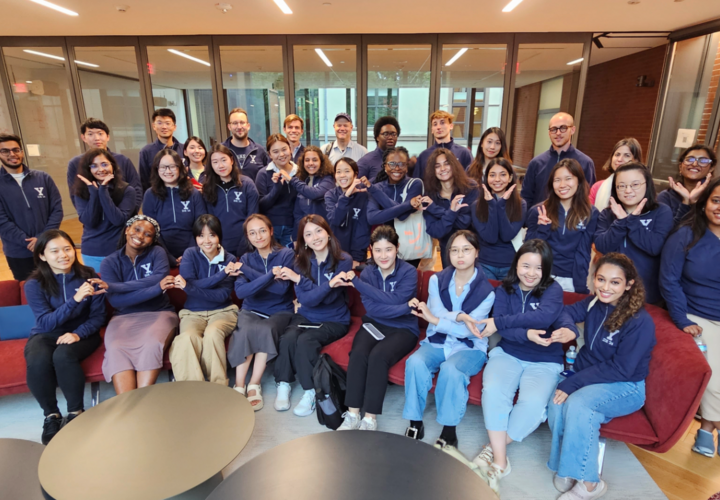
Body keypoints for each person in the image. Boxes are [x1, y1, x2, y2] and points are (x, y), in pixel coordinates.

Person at [548, 253, 655, 500]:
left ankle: (589, 484)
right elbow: (565, 313)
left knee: (578, 404)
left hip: (625, 385)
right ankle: (567, 467)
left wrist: (573, 382)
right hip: (589, 375)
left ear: (628, 284)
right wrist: (569, 328)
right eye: (601, 279)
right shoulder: (593, 303)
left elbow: (622, 369)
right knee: (556, 403)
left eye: (615, 282)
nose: (605, 288)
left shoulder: (639, 321)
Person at [471, 240, 571, 489]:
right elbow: (506, 333)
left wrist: (501, 321)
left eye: (538, 268)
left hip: (545, 360)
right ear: (516, 265)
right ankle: (500, 463)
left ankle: (490, 448)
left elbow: (545, 317)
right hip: (509, 352)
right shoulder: (504, 290)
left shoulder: (553, 289)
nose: (531, 273)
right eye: (525, 265)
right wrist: (523, 332)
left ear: (545, 269)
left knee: (534, 405)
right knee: (493, 392)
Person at [403, 230, 494, 449]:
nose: (460, 255)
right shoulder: (437, 279)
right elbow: (435, 311)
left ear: (476, 253)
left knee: (452, 371)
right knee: (414, 362)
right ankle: (415, 421)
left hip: (469, 346)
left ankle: (448, 430)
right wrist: (460, 316)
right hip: (438, 340)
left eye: (466, 250)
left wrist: (438, 319)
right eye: (454, 250)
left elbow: (470, 331)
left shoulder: (487, 291)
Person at [24, 229, 105, 444]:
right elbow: (45, 322)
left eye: (67, 248)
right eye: (55, 251)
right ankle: (51, 415)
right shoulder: (34, 284)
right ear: (42, 255)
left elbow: (98, 317)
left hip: (83, 333)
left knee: (63, 355)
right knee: (37, 359)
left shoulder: (89, 276)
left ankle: (75, 412)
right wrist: (75, 300)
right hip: (47, 333)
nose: (63, 255)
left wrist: (78, 334)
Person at [660, 177, 720, 458]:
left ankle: (708, 428)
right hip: (698, 315)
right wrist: (682, 319)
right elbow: (669, 280)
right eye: (716, 200)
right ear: (705, 202)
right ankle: (711, 427)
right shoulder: (686, 234)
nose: (719, 207)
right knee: (716, 374)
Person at [337, 226, 419, 431]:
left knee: (378, 356)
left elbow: (397, 299)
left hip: (404, 327)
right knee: (358, 353)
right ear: (370, 250)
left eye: (389, 249)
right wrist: (403, 307)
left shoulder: (409, 272)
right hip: (374, 322)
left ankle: (370, 418)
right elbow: (373, 307)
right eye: (378, 250)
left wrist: (357, 284)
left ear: (397, 248)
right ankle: (353, 413)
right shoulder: (368, 273)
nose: (383, 256)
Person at [273, 215, 353, 416]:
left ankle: (310, 391)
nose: (315, 237)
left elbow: (328, 300)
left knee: (306, 341)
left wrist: (300, 280)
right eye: (308, 234)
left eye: (319, 231)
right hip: (307, 314)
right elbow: (306, 301)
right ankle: (283, 383)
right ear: (303, 240)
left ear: (327, 232)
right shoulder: (300, 262)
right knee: (288, 338)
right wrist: (325, 285)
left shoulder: (343, 260)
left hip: (334, 318)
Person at [93, 216, 179, 395]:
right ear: (127, 230)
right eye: (137, 229)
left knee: (151, 344)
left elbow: (158, 278)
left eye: (148, 234)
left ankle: (140, 401)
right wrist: (155, 289)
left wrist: (115, 286)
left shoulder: (157, 253)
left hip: (159, 313)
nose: (140, 236)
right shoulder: (109, 262)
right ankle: (129, 404)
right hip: (123, 317)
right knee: (116, 347)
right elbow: (116, 301)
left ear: (152, 240)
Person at [227, 214, 296, 411]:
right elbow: (241, 292)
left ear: (271, 231)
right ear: (247, 237)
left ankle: (254, 384)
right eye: (252, 233)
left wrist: (247, 272)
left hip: (280, 310)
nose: (258, 236)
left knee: (266, 329)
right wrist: (269, 276)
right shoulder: (246, 258)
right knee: (244, 329)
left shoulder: (286, 255)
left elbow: (281, 290)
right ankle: (239, 385)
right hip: (251, 308)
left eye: (262, 231)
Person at [169, 215, 242, 385]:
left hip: (223, 311)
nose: (206, 241)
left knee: (212, 333)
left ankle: (219, 386)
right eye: (201, 236)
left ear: (219, 237)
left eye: (212, 235)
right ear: (196, 238)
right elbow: (192, 288)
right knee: (186, 338)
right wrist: (222, 274)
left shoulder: (230, 259)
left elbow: (221, 296)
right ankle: (195, 389)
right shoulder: (190, 254)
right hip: (192, 313)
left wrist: (189, 287)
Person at [594, 162, 673, 305]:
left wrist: (629, 220)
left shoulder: (661, 211)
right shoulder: (607, 214)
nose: (628, 190)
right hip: (611, 292)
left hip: (647, 293)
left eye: (635, 184)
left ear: (647, 184)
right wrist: (621, 223)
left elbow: (654, 247)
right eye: (621, 186)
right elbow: (602, 247)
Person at [526, 159, 598, 293]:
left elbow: (583, 252)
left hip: (572, 280)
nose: (562, 184)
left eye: (568, 178)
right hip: (541, 276)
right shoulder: (539, 211)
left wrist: (580, 283)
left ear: (579, 181)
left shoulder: (591, 213)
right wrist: (542, 228)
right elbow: (529, 249)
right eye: (557, 180)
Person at [0, 134, 63, 281]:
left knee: (57, 287)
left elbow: (56, 210)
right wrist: (27, 242)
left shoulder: (43, 178)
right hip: (18, 252)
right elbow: (2, 222)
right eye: (5, 151)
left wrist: (42, 238)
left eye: (16, 149)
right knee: (29, 292)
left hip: (50, 247)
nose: (12, 154)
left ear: (22, 151)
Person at [73, 148, 137, 273]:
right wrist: (94, 193)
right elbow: (89, 221)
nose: (101, 169)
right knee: (100, 290)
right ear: (88, 169)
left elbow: (117, 219)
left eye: (104, 164)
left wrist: (103, 190)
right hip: (92, 251)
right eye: (94, 166)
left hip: (119, 250)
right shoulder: (81, 191)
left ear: (113, 165)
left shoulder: (127, 190)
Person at [142, 149, 207, 264]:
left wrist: (189, 253)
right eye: (163, 167)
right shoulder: (150, 194)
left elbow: (200, 225)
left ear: (180, 168)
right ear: (157, 169)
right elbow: (150, 229)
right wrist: (167, 256)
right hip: (160, 255)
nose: (168, 171)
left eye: (172, 166)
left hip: (194, 252)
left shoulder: (194, 193)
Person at [520, 112, 596, 209]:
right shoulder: (536, 163)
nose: (558, 133)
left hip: (572, 221)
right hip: (540, 219)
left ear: (572, 130)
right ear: (549, 133)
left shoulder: (585, 162)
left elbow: (589, 198)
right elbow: (526, 197)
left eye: (563, 128)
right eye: (554, 129)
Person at [367, 147, 424, 267]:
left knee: (406, 280)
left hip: (410, 246)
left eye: (401, 164)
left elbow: (403, 216)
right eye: (392, 164)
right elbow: (372, 217)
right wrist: (407, 205)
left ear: (407, 166)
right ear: (385, 166)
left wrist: (377, 194)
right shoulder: (377, 187)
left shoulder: (415, 184)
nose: (396, 168)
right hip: (385, 247)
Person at [66, 118, 142, 208]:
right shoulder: (75, 163)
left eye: (100, 133)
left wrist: (129, 213)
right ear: (83, 138)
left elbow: (136, 189)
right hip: (93, 216)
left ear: (108, 137)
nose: (96, 138)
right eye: (90, 134)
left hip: (124, 214)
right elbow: (75, 194)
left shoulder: (123, 160)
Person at [421, 149, 478, 268]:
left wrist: (435, 209)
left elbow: (464, 222)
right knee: (450, 284)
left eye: (446, 163)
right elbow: (436, 231)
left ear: (454, 165)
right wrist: (452, 212)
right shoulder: (430, 195)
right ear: (433, 171)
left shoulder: (470, 188)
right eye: (437, 166)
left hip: (471, 248)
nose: (443, 169)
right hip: (447, 248)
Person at [472, 158, 527, 280]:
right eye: (492, 175)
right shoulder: (477, 205)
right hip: (484, 264)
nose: (497, 179)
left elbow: (507, 235)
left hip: (511, 264)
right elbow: (490, 237)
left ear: (510, 177)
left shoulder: (521, 204)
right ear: (486, 178)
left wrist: (500, 205)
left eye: (503, 174)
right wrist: (492, 205)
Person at [202, 143, 259, 258]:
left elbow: (253, 218)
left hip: (246, 245)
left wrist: (244, 246)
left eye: (224, 160)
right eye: (215, 162)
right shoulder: (208, 188)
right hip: (219, 246)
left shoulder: (247, 184)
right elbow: (208, 222)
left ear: (232, 160)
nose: (220, 165)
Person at [325, 158, 372, 268]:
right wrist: (346, 196)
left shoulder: (364, 195)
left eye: (347, 171)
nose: (342, 175)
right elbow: (335, 220)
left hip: (356, 258)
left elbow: (363, 230)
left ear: (355, 175)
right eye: (338, 171)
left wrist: (356, 258)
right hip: (333, 254)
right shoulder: (330, 195)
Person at [255, 134, 298, 248]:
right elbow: (261, 205)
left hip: (294, 228)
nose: (282, 154)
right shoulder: (263, 174)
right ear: (269, 154)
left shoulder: (299, 172)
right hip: (270, 228)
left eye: (284, 149)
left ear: (290, 149)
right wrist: (277, 187)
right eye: (275, 151)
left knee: (291, 262)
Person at [658, 144, 716, 227]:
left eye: (703, 161)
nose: (695, 164)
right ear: (680, 166)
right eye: (690, 159)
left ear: (711, 168)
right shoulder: (666, 197)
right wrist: (686, 202)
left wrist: (694, 204)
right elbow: (665, 232)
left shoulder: (715, 197)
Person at [413, 110, 473, 180]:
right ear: (432, 130)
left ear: (451, 126)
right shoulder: (424, 156)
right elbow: (417, 184)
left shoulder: (464, 153)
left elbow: (472, 180)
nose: (438, 127)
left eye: (442, 123)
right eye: (435, 124)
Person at [291, 146, 336, 238]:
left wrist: (292, 180)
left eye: (314, 160)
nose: (310, 163)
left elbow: (314, 194)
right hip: (306, 233)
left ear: (321, 162)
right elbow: (297, 213)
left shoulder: (328, 179)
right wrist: (297, 236)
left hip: (324, 232)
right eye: (307, 160)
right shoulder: (302, 181)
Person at [589, 138, 642, 209]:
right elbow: (588, 215)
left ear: (636, 160)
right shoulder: (597, 187)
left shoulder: (641, 188)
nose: (620, 159)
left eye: (627, 155)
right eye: (617, 154)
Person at [139, 109, 184, 193]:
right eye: (159, 123)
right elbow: (144, 182)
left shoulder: (184, 149)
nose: (164, 127)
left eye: (167, 123)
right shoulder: (146, 151)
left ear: (174, 127)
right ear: (154, 126)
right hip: (159, 198)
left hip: (183, 196)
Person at [222, 107, 270, 181]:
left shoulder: (259, 150)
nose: (239, 126)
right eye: (235, 123)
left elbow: (268, 177)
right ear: (229, 127)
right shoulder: (221, 150)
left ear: (248, 126)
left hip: (255, 192)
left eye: (242, 122)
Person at [358, 116, 401, 182]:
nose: (390, 137)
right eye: (386, 134)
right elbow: (357, 187)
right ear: (377, 137)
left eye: (393, 134)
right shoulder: (366, 161)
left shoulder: (401, 160)